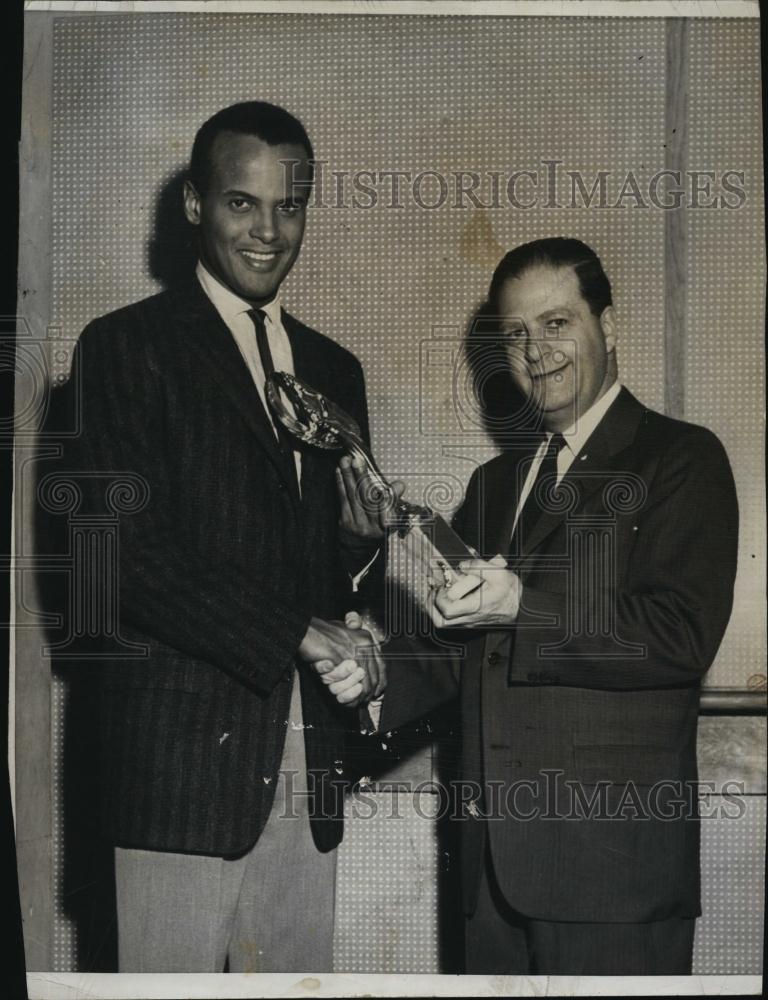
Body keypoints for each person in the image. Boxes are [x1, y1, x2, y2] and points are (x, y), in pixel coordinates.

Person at [343, 237, 739, 974]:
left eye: (557, 323)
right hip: (489, 878)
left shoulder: (680, 459)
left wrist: (523, 602)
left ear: (609, 326)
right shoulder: (495, 484)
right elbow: (462, 646)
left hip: (613, 883)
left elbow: (677, 635)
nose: (536, 350)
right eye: (516, 334)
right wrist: (372, 677)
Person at [63, 101, 386, 973]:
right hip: (177, 778)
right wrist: (295, 630)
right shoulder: (123, 348)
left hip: (304, 768)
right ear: (196, 206)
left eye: (291, 205)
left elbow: (322, 579)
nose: (269, 230)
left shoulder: (333, 369)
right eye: (243, 203)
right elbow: (120, 560)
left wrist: (356, 550)